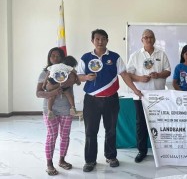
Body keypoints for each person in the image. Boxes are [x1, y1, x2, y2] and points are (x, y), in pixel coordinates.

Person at [77, 29, 143, 172]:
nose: (100, 42)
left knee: (111, 130)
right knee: (90, 131)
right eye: (97, 39)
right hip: (91, 100)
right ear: (92, 41)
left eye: (103, 39)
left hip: (111, 99)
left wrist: (135, 90)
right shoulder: (86, 58)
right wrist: (86, 78)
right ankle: (90, 160)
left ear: (107, 40)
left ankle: (111, 156)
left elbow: (124, 75)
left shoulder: (115, 57)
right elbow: (78, 76)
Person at [127, 29, 171, 163]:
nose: (148, 39)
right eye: (145, 37)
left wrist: (158, 75)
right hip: (141, 95)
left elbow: (168, 71)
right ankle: (142, 151)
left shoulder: (161, 54)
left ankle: (161, 151)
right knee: (141, 124)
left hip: (158, 96)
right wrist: (140, 78)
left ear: (154, 39)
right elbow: (128, 74)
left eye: (151, 37)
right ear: (142, 40)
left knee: (159, 123)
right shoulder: (135, 55)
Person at [36, 47, 78, 176]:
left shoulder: (68, 71)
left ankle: (62, 160)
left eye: (58, 56)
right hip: (50, 111)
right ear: (49, 58)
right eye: (52, 56)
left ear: (63, 58)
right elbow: (38, 93)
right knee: (51, 136)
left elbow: (74, 80)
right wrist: (52, 92)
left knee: (65, 136)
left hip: (66, 109)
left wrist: (62, 82)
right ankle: (49, 164)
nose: (55, 58)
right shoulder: (44, 73)